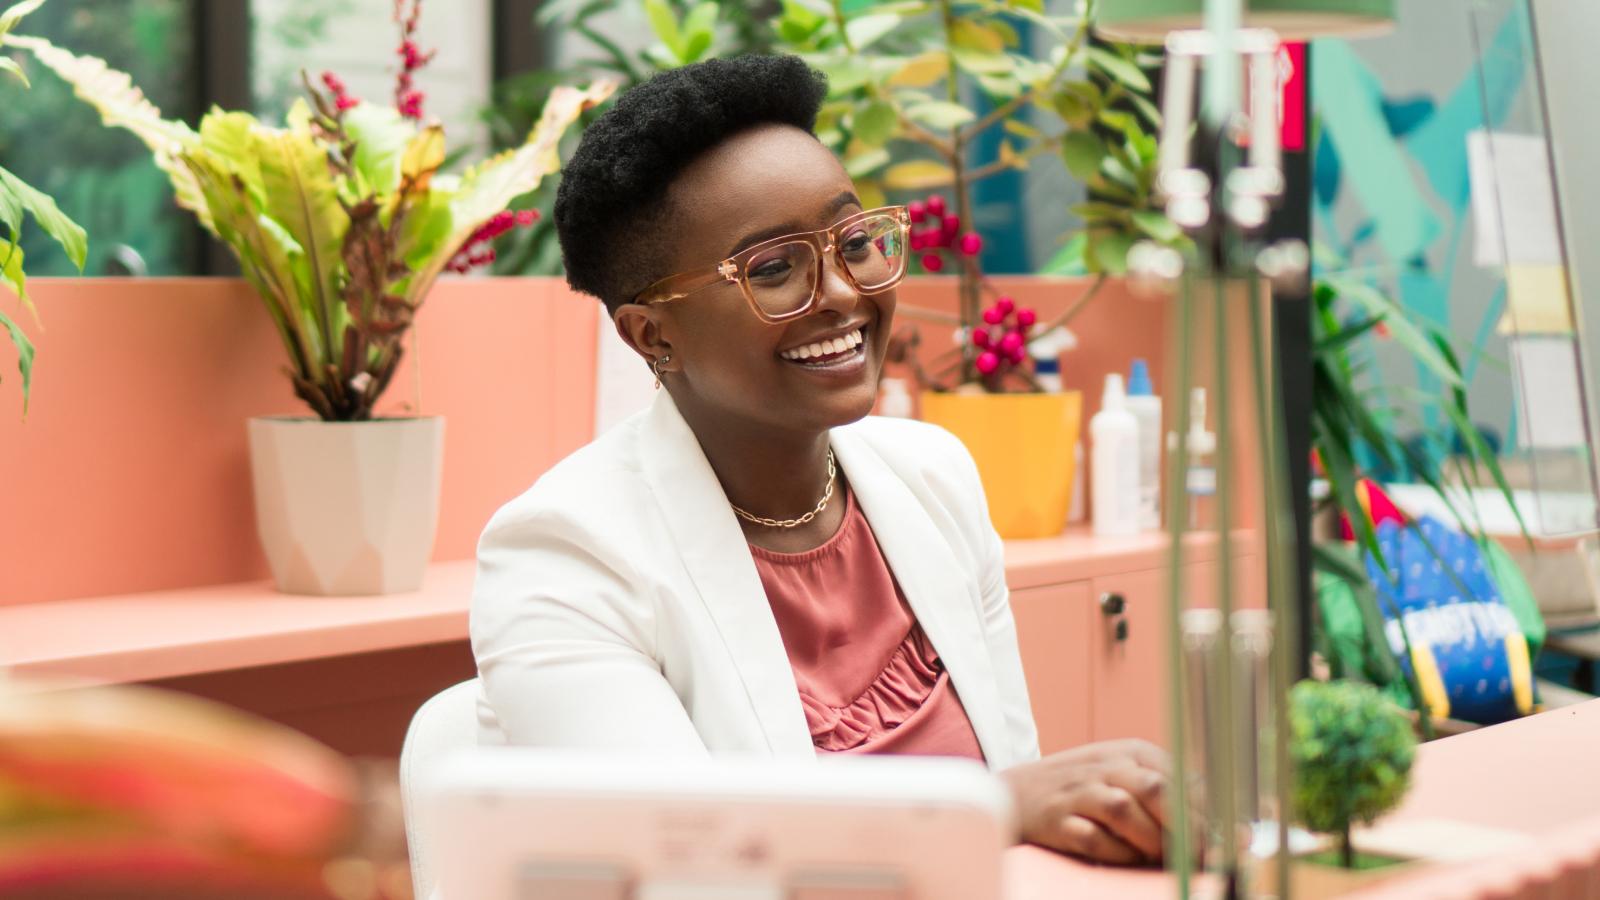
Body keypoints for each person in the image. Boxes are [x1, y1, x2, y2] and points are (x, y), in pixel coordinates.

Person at [471, 54, 1176, 866]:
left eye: (853, 240)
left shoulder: (932, 478)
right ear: (651, 335)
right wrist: (999, 805)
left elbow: (1017, 812)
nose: (844, 292)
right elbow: (680, 862)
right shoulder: (562, 554)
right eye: (774, 269)